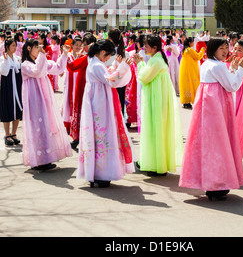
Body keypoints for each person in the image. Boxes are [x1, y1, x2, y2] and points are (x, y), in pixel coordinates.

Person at [179, 37, 243, 200]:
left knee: (206, 146)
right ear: (213, 50)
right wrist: (240, 69)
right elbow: (232, 86)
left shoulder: (206, 64)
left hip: (206, 112)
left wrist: (232, 69)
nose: (225, 51)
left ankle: (208, 183)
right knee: (219, 146)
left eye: (227, 47)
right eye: (221, 48)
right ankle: (217, 185)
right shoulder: (218, 66)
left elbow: (225, 80)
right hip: (217, 112)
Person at [77, 40, 134, 188]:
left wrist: (116, 66)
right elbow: (111, 80)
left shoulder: (95, 63)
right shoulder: (96, 65)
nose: (108, 59)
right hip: (99, 104)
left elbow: (107, 75)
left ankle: (96, 173)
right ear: (102, 52)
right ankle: (101, 174)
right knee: (102, 136)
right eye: (108, 55)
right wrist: (124, 67)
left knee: (97, 137)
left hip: (98, 101)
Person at [133, 35, 184, 176]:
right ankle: (157, 163)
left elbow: (144, 77)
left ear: (154, 47)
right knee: (159, 130)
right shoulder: (157, 59)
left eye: (146, 46)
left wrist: (139, 63)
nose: (144, 48)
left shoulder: (156, 61)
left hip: (156, 101)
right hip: (158, 100)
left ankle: (155, 165)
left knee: (154, 129)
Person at [21, 39, 72, 171]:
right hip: (34, 100)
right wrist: (43, 56)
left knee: (46, 126)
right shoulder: (25, 65)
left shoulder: (42, 61)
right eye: (36, 47)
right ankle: (38, 160)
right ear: (29, 49)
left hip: (44, 99)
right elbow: (36, 71)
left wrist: (64, 55)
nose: (39, 49)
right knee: (37, 128)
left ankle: (46, 158)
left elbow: (58, 68)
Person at [229, 39, 243, 157]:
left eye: (239, 50)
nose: (236, 51)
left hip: (239, 97)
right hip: (231, 96)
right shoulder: (231, 61)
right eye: (235, 48)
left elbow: (234, 82)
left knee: (237, 128)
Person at [0, 38, 23, 146]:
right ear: (8, 46)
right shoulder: (2, 59)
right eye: (13, 45)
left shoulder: (18, 59)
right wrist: (5, 61)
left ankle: (14, 133)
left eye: (15, 45)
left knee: (17, 109)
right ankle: (7, 134)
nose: (15, 47)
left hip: (17, 88)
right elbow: (4, 72)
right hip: (7, 88)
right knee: (7, 109)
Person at [179, 37, 205, 109]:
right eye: (193, 42)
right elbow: (198, 57)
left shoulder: (184, 50)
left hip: (185, 70)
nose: (193, 43)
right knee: (192, 83)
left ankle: (186, 102)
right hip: (190, 70)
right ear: (190, 43)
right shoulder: (190, 50)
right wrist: (202, 50)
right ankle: (191, 101)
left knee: (186, 84)